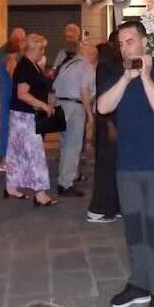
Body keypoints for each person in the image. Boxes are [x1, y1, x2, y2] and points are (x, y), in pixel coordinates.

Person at [96, 22, 154, 307]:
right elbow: (103, 107)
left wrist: (144, 77)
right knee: (133, 227)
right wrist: (127, 78)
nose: (125, 48)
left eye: (130, 41)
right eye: (121, 44)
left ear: (144, 43)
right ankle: (139, 283)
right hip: (128, 165)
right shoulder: (117, 76)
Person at [6, 33, 58, 206]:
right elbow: (22, 94)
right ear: (33, 48)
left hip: (23, 114)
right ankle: (40, 193)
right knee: (35, 154)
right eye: (41, 48)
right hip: (24, 116)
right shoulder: (25, 67)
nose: (43, 52)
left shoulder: (32, 64)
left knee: (18, 151)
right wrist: (43, 105)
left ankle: (11, 187)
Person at [87, 32, 123, 223]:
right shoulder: (106, 66)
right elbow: (103, 96)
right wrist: (109, 124)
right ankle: (99, 209)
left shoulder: (112, 64)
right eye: (121, 43)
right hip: (108, 123)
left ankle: (113, 206)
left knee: (114, 167)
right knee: (106, 168)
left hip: (112, 122)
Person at [53, 43, 96, 197]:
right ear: (90, 54)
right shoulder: (87, 66)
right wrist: (90, 114)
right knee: (73, 146)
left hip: (60, 104)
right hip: (75, 106)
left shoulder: (66, 64)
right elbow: (84, 90)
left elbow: (55, 85)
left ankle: (64, 178)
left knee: (65, 145)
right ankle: (66, 184)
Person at [0, 28, 25, 171]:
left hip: (6, 94)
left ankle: (5, 157)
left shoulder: (2, 56)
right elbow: (14, 77)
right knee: (10, 125)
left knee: (6, 125)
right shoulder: (11, 59)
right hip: (10, 95)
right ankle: (6, 159)